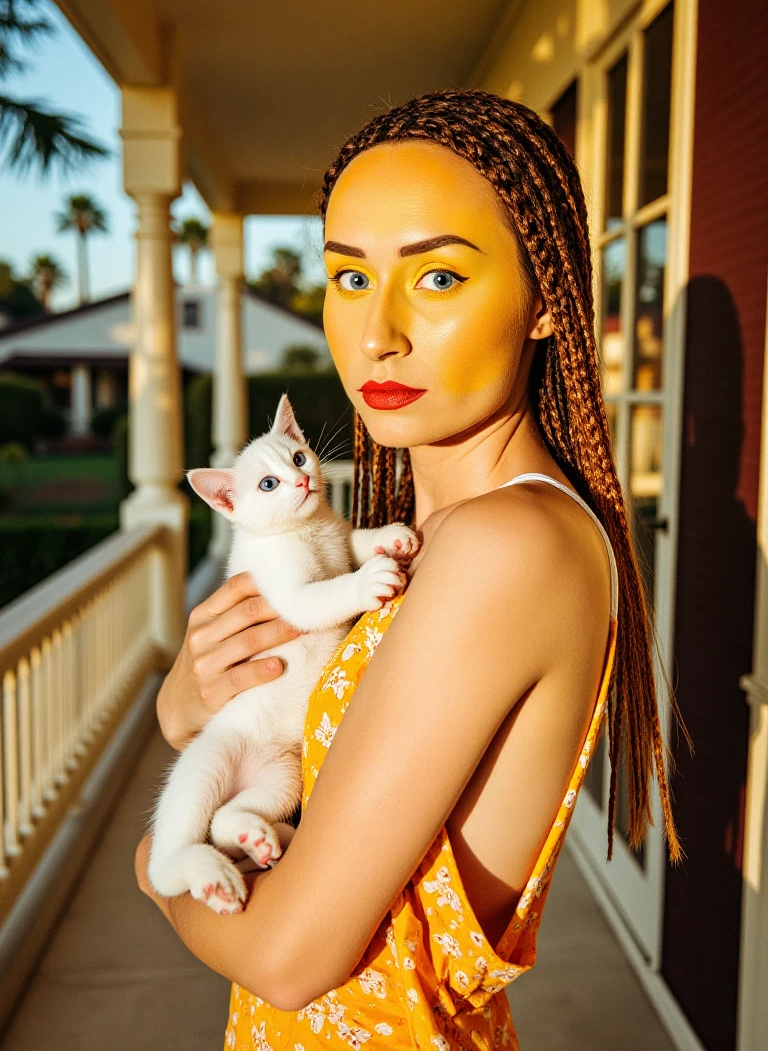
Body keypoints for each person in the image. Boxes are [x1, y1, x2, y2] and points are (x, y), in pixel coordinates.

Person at [135, 89, 685, 1050]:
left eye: (436, 279)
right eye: (349, 280)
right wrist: (194, 714)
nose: (376, 332)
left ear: (547, 299)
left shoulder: (504, 546)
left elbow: (288, 955)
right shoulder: (423, 536)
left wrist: (152, 859)